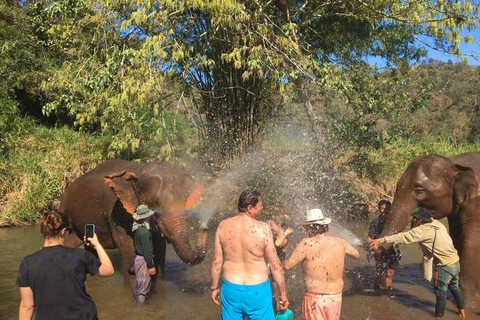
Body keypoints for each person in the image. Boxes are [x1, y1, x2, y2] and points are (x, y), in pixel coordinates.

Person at [370, 207, 466, 319]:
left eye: (415, 218)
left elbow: (402, 237)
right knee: (455, 287)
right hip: (455, 261)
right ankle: (462, 313)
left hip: (444, 265)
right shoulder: (438, 224)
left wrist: (380, 240)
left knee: (441, 293)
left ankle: (438, 317)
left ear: (420, 220)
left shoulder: (422, 231)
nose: (414, 220)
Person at [17, 210, 114, 320]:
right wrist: (97, 245)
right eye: (70, 231)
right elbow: (109, 271)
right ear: (63, 231)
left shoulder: (27, 262)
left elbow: (27, 306)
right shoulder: (81, 256)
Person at [211, 190, 289, 320]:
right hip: (258, 292)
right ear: (250, 208)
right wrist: (283, 295)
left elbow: (217, 261)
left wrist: (214, 288)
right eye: (260, 205)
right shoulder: (263, 228)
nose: (262, 208)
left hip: (232, 291)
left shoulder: (223, 226)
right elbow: (275, 264)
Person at [284, 208, 360, 320]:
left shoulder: (306, 244)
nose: (305, 230)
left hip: (315, 297)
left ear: (310, 227)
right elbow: (356, 255)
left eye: (306, 227)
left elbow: (288, 266)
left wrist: (281, 253)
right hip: (335, 296)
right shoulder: (340, 242)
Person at [367, 200, 401, 297]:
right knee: (379, 272)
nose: (385, 210)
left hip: (391, 249)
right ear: (379, 209)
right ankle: (376, 291)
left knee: (390, 273)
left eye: (387, 208)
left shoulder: (393, 222)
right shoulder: (375, 222)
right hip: (379, 249)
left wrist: (398, 251)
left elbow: (397, 237)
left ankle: (388, 294)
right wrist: (371, 249)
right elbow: (370, 237)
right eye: (382, 208)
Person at [268, 217, 295, 311]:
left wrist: (285, 233)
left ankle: (279, 314)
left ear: (279, 225)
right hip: (274, 271)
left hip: (280, 272)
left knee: (276, 297)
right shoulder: (276, 237)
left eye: (272, 226)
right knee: (274, 296)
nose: (270, 228)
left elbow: (277, 244)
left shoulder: (284, 239)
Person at [132, 204, 157, 304]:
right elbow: (147, 251)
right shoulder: (145, 232)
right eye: (149, 215)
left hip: (138, 259)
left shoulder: (137, 228)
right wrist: (150, 266)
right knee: (143, 290)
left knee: (138, 285)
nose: (150, 217)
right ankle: (141, 312)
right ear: (146, 217)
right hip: (144, 261)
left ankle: (135, 307)